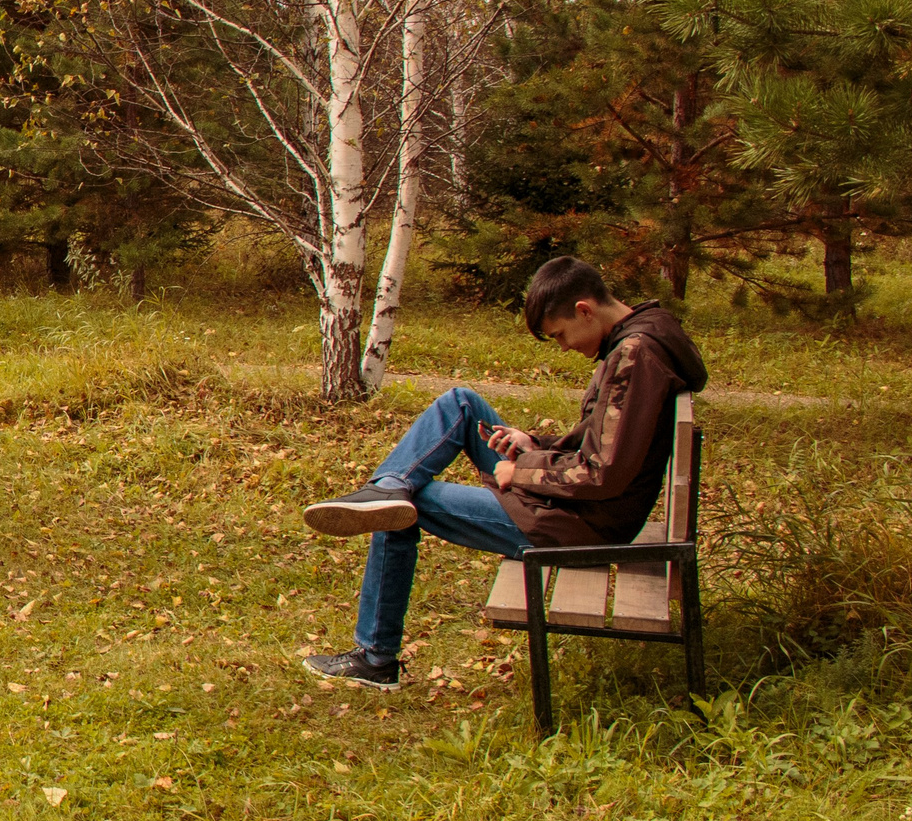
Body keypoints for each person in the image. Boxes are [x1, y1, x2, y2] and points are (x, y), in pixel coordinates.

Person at [296, 257, 709, 690]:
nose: (564, 346)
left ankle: (376, 656)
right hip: (574, 506)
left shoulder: (634, 356)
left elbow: (602, 475)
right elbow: (604, 446)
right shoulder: (644, 335)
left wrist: (524, 469)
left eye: (560, 334)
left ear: (585, 310)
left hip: (579, 527)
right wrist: (536, 445)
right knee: (461, 404)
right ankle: (386, 485)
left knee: (401, 507)